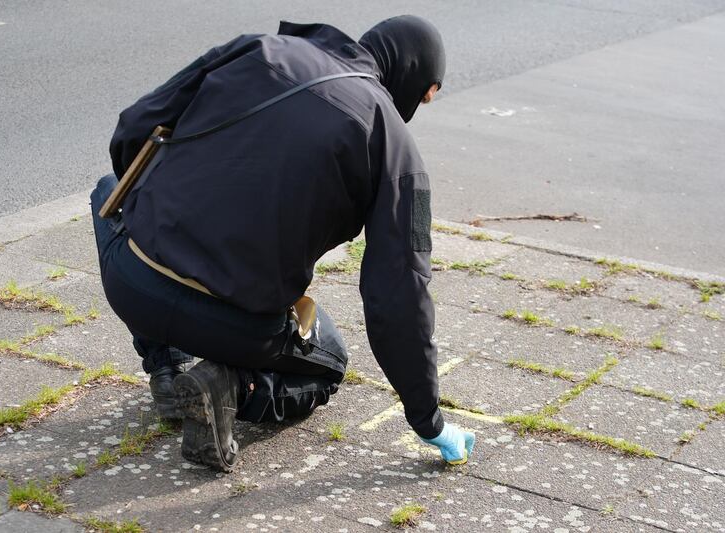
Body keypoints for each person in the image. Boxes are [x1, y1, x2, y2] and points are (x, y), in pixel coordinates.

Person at [90, 15, 475, 472]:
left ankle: (167, 367)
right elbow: (400, 294)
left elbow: (137, 126)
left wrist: (156, 206)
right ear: (421, 84)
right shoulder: (396, 149)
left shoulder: (259, 48)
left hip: (134, 279)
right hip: (231, 322)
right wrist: (428, 419)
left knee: (107, 188)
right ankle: (231, 386)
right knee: (330, 361)